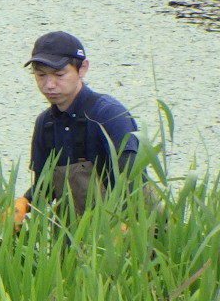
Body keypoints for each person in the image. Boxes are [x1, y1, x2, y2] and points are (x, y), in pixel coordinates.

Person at [24, 31, 139, 217]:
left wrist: (126, 224)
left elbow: (133, 181)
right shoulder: (45, 123)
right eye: (40, 75)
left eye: (59, 74)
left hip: (129, 222)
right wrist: (25, 202)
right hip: (75, 230)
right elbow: (45, 186)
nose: (49, 85)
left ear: (83, 69)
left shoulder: (109, 114)